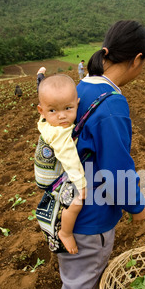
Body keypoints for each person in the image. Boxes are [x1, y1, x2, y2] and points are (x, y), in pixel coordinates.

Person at [51, 20, 145, 289]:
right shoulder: (111, 106)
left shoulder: (82, 88)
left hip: (72, 206)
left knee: (83, 279)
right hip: (89, 220)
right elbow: (118, 169)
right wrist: (138, 208)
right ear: (137, 59)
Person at [37, 74, 86, 254]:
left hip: (48, 177)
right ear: (41, 111)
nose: (62, 116)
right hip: (53, 180)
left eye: (68, 108)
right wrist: (80, 185)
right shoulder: (60, 135)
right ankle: (65, 232)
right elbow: (70, 160)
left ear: (77, 103)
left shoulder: (46, 123)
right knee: (76, 203)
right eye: (53, 111)